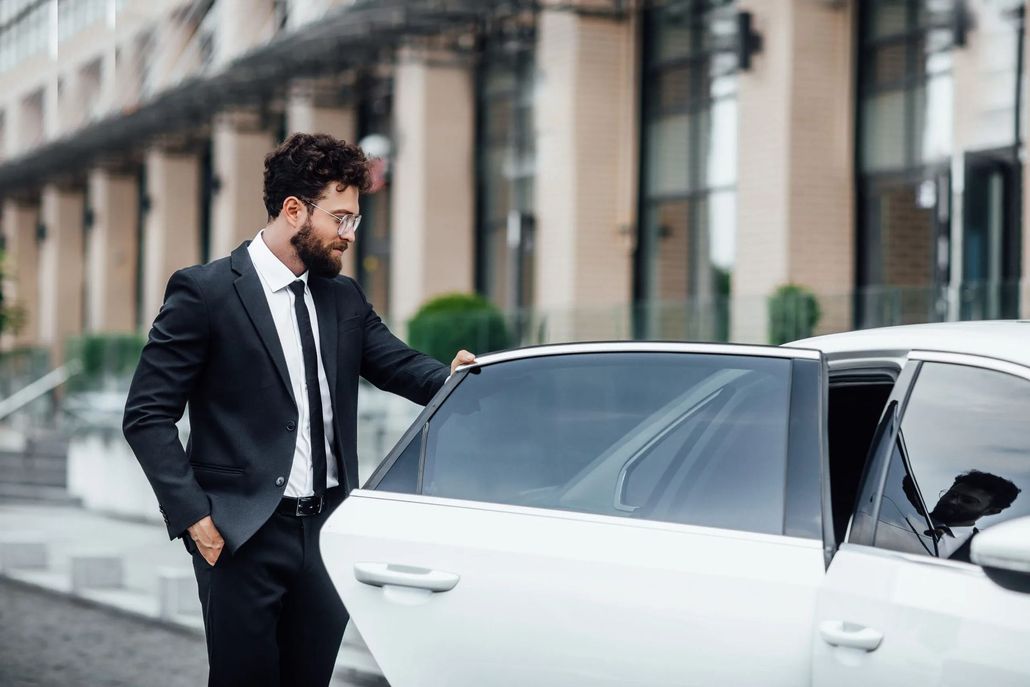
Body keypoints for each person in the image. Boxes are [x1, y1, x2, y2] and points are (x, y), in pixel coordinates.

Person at [122, 132, 475, 686]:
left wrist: (463, 381)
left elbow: (398, 366)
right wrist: (196, 518)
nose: (349, 235)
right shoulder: (205, 292)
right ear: (293, 211)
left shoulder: (344, 297)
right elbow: (146, 414)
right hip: (242, 534)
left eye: (354, 220)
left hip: (327, 531)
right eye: (341, 218)